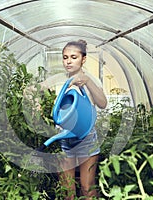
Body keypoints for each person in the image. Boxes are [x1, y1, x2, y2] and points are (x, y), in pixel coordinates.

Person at [56, 39, 107, 199]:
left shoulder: (90, 80)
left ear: (83, 59)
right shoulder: (61, 82)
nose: (68, 61)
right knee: (67, 190)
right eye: (65, 57)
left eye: (73, 57)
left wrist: (88, 82)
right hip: (65, 140)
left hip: (86, 139)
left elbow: (103, 103)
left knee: (87, 187)